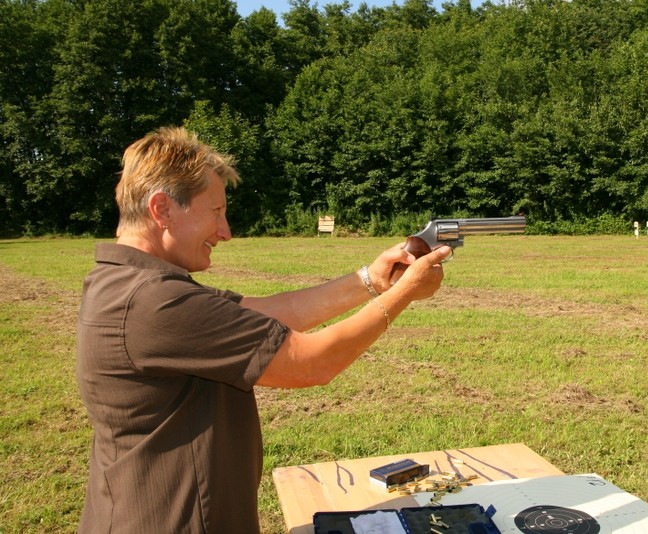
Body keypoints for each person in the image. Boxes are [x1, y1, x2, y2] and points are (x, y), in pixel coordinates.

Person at [75, 126, 450, 533]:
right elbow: (311, 364)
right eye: (216, 212)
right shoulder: (153, 301)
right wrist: (405, 293)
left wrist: (372, 280)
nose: (225, 231)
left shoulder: (135, 284)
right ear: (162, 209)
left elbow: (274, 312)